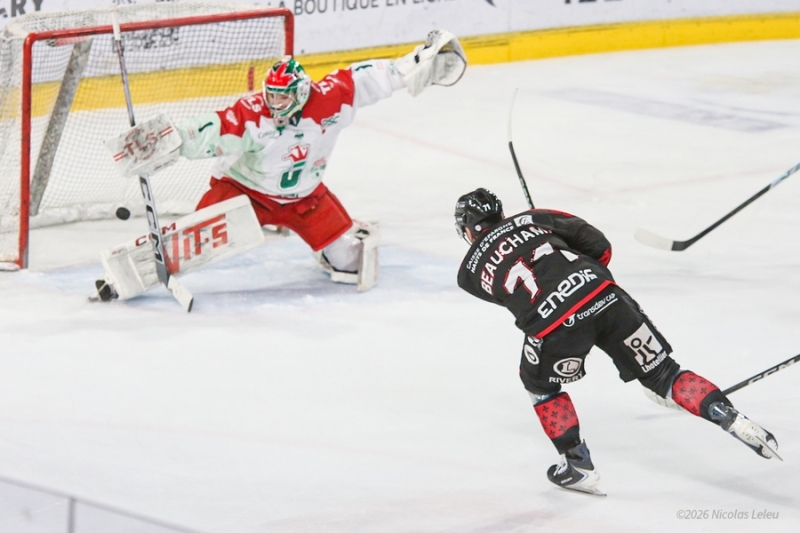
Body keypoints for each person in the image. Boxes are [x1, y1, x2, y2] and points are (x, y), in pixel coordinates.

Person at [453, 188, 780, 496]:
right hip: (605, 295)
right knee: (665, 374)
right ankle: (732, 418)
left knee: (539, 385)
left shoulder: (467, 274)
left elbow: (513, 295)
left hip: (555, 323)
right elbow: (600, 246)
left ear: (467, 230)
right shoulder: (535, 217)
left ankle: (578, 466)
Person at [96, 30, 466, 301]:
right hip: (245, 194)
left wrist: (417, 64)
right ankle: (119, 280)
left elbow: (375, 77)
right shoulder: (252, 115)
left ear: (301, 92)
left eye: (282, 96)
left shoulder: (331, 98)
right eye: (270, 94)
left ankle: (326, 246)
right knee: (188, 245)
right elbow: (209, 130)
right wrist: (168, 139)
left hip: (307, 199)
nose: (274, 103)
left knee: (354, 265)